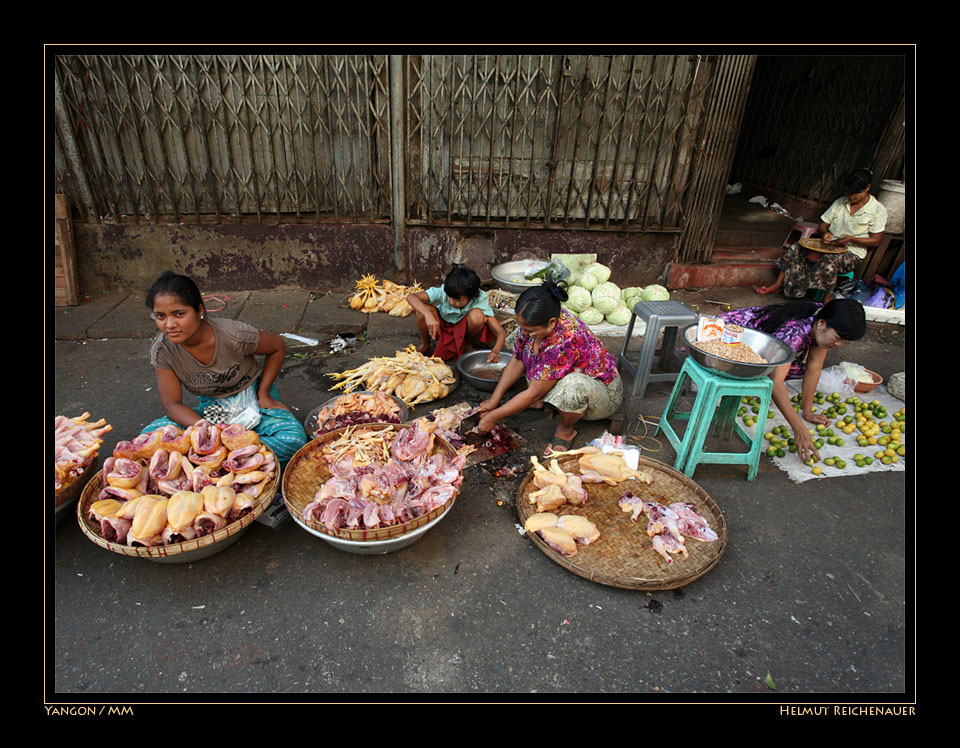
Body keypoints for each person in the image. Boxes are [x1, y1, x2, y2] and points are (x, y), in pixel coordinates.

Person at [140, 271, 307, 466]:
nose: (169, 325)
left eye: (179, 314)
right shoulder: (163, 350)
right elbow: (172, 404)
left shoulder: (233, 335)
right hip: (212, 408)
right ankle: (239, 457)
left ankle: (223, 458)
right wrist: (208, 431)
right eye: (160, 316)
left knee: (293, 440)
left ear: (199, 310)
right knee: (148, 439)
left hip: (253, 397)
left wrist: (264, 393)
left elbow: (277, 346)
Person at [475, 281, 623, 453]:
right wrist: (495, 398)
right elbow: (517, 359)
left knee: (571, 386)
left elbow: (534, 391)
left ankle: (566, 429)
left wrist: (494, 416)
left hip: (603, 395)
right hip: (559, 377)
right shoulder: (536, 324)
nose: (524, 332)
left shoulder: (564, 340)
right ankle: (540, 402)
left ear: (552, 322)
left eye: (530, 330)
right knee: (529, 347)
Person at [716, 299, 867, 463]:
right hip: (724, 339)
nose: (839, 344)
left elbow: (814, 367)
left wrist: (807, 412)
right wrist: (799, 429)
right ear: (822, 324)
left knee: (795, 369)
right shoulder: (795, 332)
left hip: (756, 342)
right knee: (780, 372)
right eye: (838, 338)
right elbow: (775, 381)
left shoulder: (821, 318)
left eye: (844, 341)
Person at [756, 169, 887, 300]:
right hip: (830, 245)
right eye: (847, 192)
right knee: (797, 247)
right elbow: (823, 225)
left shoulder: (877, 210)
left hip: (851, 252)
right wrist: (825, 234)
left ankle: (826, 300)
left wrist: (852, 239)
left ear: (867, 188)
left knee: (829, 261)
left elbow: (875, 240)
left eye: (855, 194)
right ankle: (778, 285)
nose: (850, 197)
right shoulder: (840, 202)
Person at [406, 264, 507, 362]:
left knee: (477, 315)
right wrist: (428, 315)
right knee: (422, 311)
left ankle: (467, 344)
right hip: (440, 326)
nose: (452, 302)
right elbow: (411, 297)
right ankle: (425, 345)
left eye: (458, 301)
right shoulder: (444, 291)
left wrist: (496, 351)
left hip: (464, 328)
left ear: (471, 297)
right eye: (450, 298)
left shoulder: (479, 298)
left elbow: (501, 332)